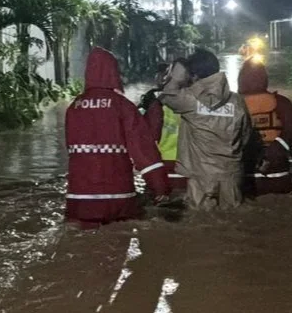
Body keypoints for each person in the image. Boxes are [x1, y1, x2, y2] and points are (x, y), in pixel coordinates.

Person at [65, 47, 169, 225]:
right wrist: (159, 187)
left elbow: (71, 150)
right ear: (113, 72)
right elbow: (143, 151)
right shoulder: (123, 106)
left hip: (79, 199)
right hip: (118, 196)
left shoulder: (74, 108)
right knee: (119, 246)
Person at [159, 48, 253, 210]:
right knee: (232, 222)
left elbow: (167, 93)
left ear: (194, 76)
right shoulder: (238, 101)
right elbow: (245, 136)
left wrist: (177, 74)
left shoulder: (190, 101)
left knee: (201, 223)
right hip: (231, 175)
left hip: (201, 178)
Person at [238, 59, 292, 195]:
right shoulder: (283, 103)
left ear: (241, 80)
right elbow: (291, 134)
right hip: (279, 176)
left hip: (245, 179)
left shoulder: (234, 106)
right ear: (265, 79)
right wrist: (272, 153)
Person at [139, 60, 191, 193]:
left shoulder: (157, 103)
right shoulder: (197, 103)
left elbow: (146, 138)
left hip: (163, 165)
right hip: (190, 165)